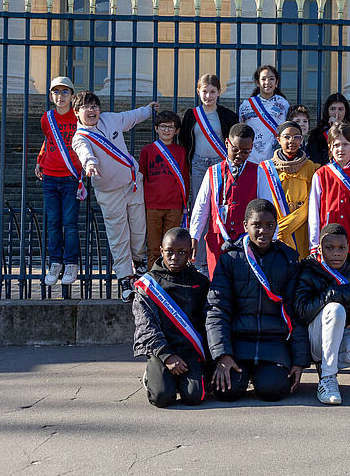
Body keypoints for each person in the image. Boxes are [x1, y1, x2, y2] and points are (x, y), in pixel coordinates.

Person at [206, 199, 310, 402]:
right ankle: (244, 373)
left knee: (273, 390)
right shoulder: (230, 258)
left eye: (269, 225)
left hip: (273, 342)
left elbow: (293, 311)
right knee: (227, 391)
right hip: (238, 341)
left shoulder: (288, 260)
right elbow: (217, 309)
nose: (263, 231)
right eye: (256, 225)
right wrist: (222, 355)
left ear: (276, 226)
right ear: (245, 226)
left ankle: (260, 374)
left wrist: (298, 361)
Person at [71, 91, 159, 300]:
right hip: (109, 193)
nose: (92, 111)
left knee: (139, 229)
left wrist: (148, 110)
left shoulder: (110, 118)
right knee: (119, 237)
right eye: (86, 107)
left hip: (132, 184)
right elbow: (84, 152)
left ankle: (138, 267)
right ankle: (124, 280)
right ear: (76, 112)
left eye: (94, 106)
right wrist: (90, 163)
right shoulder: (79, 137)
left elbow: (132, 117)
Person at [293, 223, 350, 405]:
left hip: (334, 340)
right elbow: (301, 311)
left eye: (342, 248)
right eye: (330, 248)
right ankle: (328, 378)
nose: (336, 253)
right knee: (335, 308)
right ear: (321, 249)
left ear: (348, 248)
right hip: (312, 339)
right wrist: (339, 293)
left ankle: (326, 365)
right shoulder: (309, 270)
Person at [132, 227, 210, 407]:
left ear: (190, 253)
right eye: (169, 252)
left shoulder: (201, 282)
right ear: (161, 251)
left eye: (182, 252)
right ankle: (154, 374)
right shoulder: (148, 284)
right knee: (161, 397)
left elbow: (207, 322)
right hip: (162, 350)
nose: (174, 257)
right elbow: (145, 326)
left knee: (194, 397)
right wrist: (166, 356)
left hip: (191, 350)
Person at [188, 124, 260, 277]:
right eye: (235, 150)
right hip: (217, 239)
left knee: (243, 281)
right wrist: (194, 235)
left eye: (246, 151)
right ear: (227, 143)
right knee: (218, 281)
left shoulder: (258, 171)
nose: (240, 155)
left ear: (251, 147)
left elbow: (266, 206)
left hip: (247, 240)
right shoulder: (213, 172)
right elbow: (201, 207)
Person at [35, 76, 84, 286]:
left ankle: (71, 263)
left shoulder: (78, 117)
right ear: (50, 96)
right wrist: (39, 159)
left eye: (65, 92)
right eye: (56, 92)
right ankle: (55, 262)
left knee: (70, 224)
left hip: (71, 176)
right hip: (50, 176)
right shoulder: (47, 117)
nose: (60, 96)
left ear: (72, 96)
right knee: (53, 223)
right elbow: (48, 140)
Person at [307, 122, 350, 269]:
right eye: (336, 145)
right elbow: (314, 213)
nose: (341, 149)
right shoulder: (321, 174)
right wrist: (314, 245)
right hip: (328, 242)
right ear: (330, 147)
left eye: (345, 144)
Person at [256, 120, 318, 259]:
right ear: (278, 139)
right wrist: (276, 228)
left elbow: (312, 202)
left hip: (301, 226)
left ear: (302, 139)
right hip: (275, 228)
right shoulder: (265, 169)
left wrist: (290, 223)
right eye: (287, 137)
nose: (292, 141)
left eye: (297, 137)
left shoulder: (311, 168)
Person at [139, 111, 190, 268]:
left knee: (172, 246)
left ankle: (170, 276)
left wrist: (184, 202)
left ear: (177, 131)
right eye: (163, 126)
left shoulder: (181, 152)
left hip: (174, 206)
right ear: (156, 128)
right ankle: (153, 278)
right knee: (154, 246)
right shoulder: (147, 150)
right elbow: (142, 176)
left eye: (170, 127)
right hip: (153, 205)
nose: (166, 130)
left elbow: (185, 178)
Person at [178, 74, 238, 206]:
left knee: (221, 202)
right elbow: (183, 139)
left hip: (220, 163)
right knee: (198, 203)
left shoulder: (228, 116)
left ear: (219, 93)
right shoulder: (191, 115)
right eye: (204, 92)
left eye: (212, 92)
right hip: (198, 164)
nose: (208, 96)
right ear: (198, 91)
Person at [238, 65, 289, 164]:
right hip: (251, 156)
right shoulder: (246, 105)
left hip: (274, 157)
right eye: (263, 79)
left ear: (276, 82)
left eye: (271, 79)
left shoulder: (283, 104)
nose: (267, 82)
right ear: (258, 82)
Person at [306, 93, 350, 165]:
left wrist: (339, 127)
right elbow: (315, 157)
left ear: (346, 111)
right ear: (327, 110)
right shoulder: (316, 134)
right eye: (333, 109)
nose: (336, 113)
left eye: (340, 109)